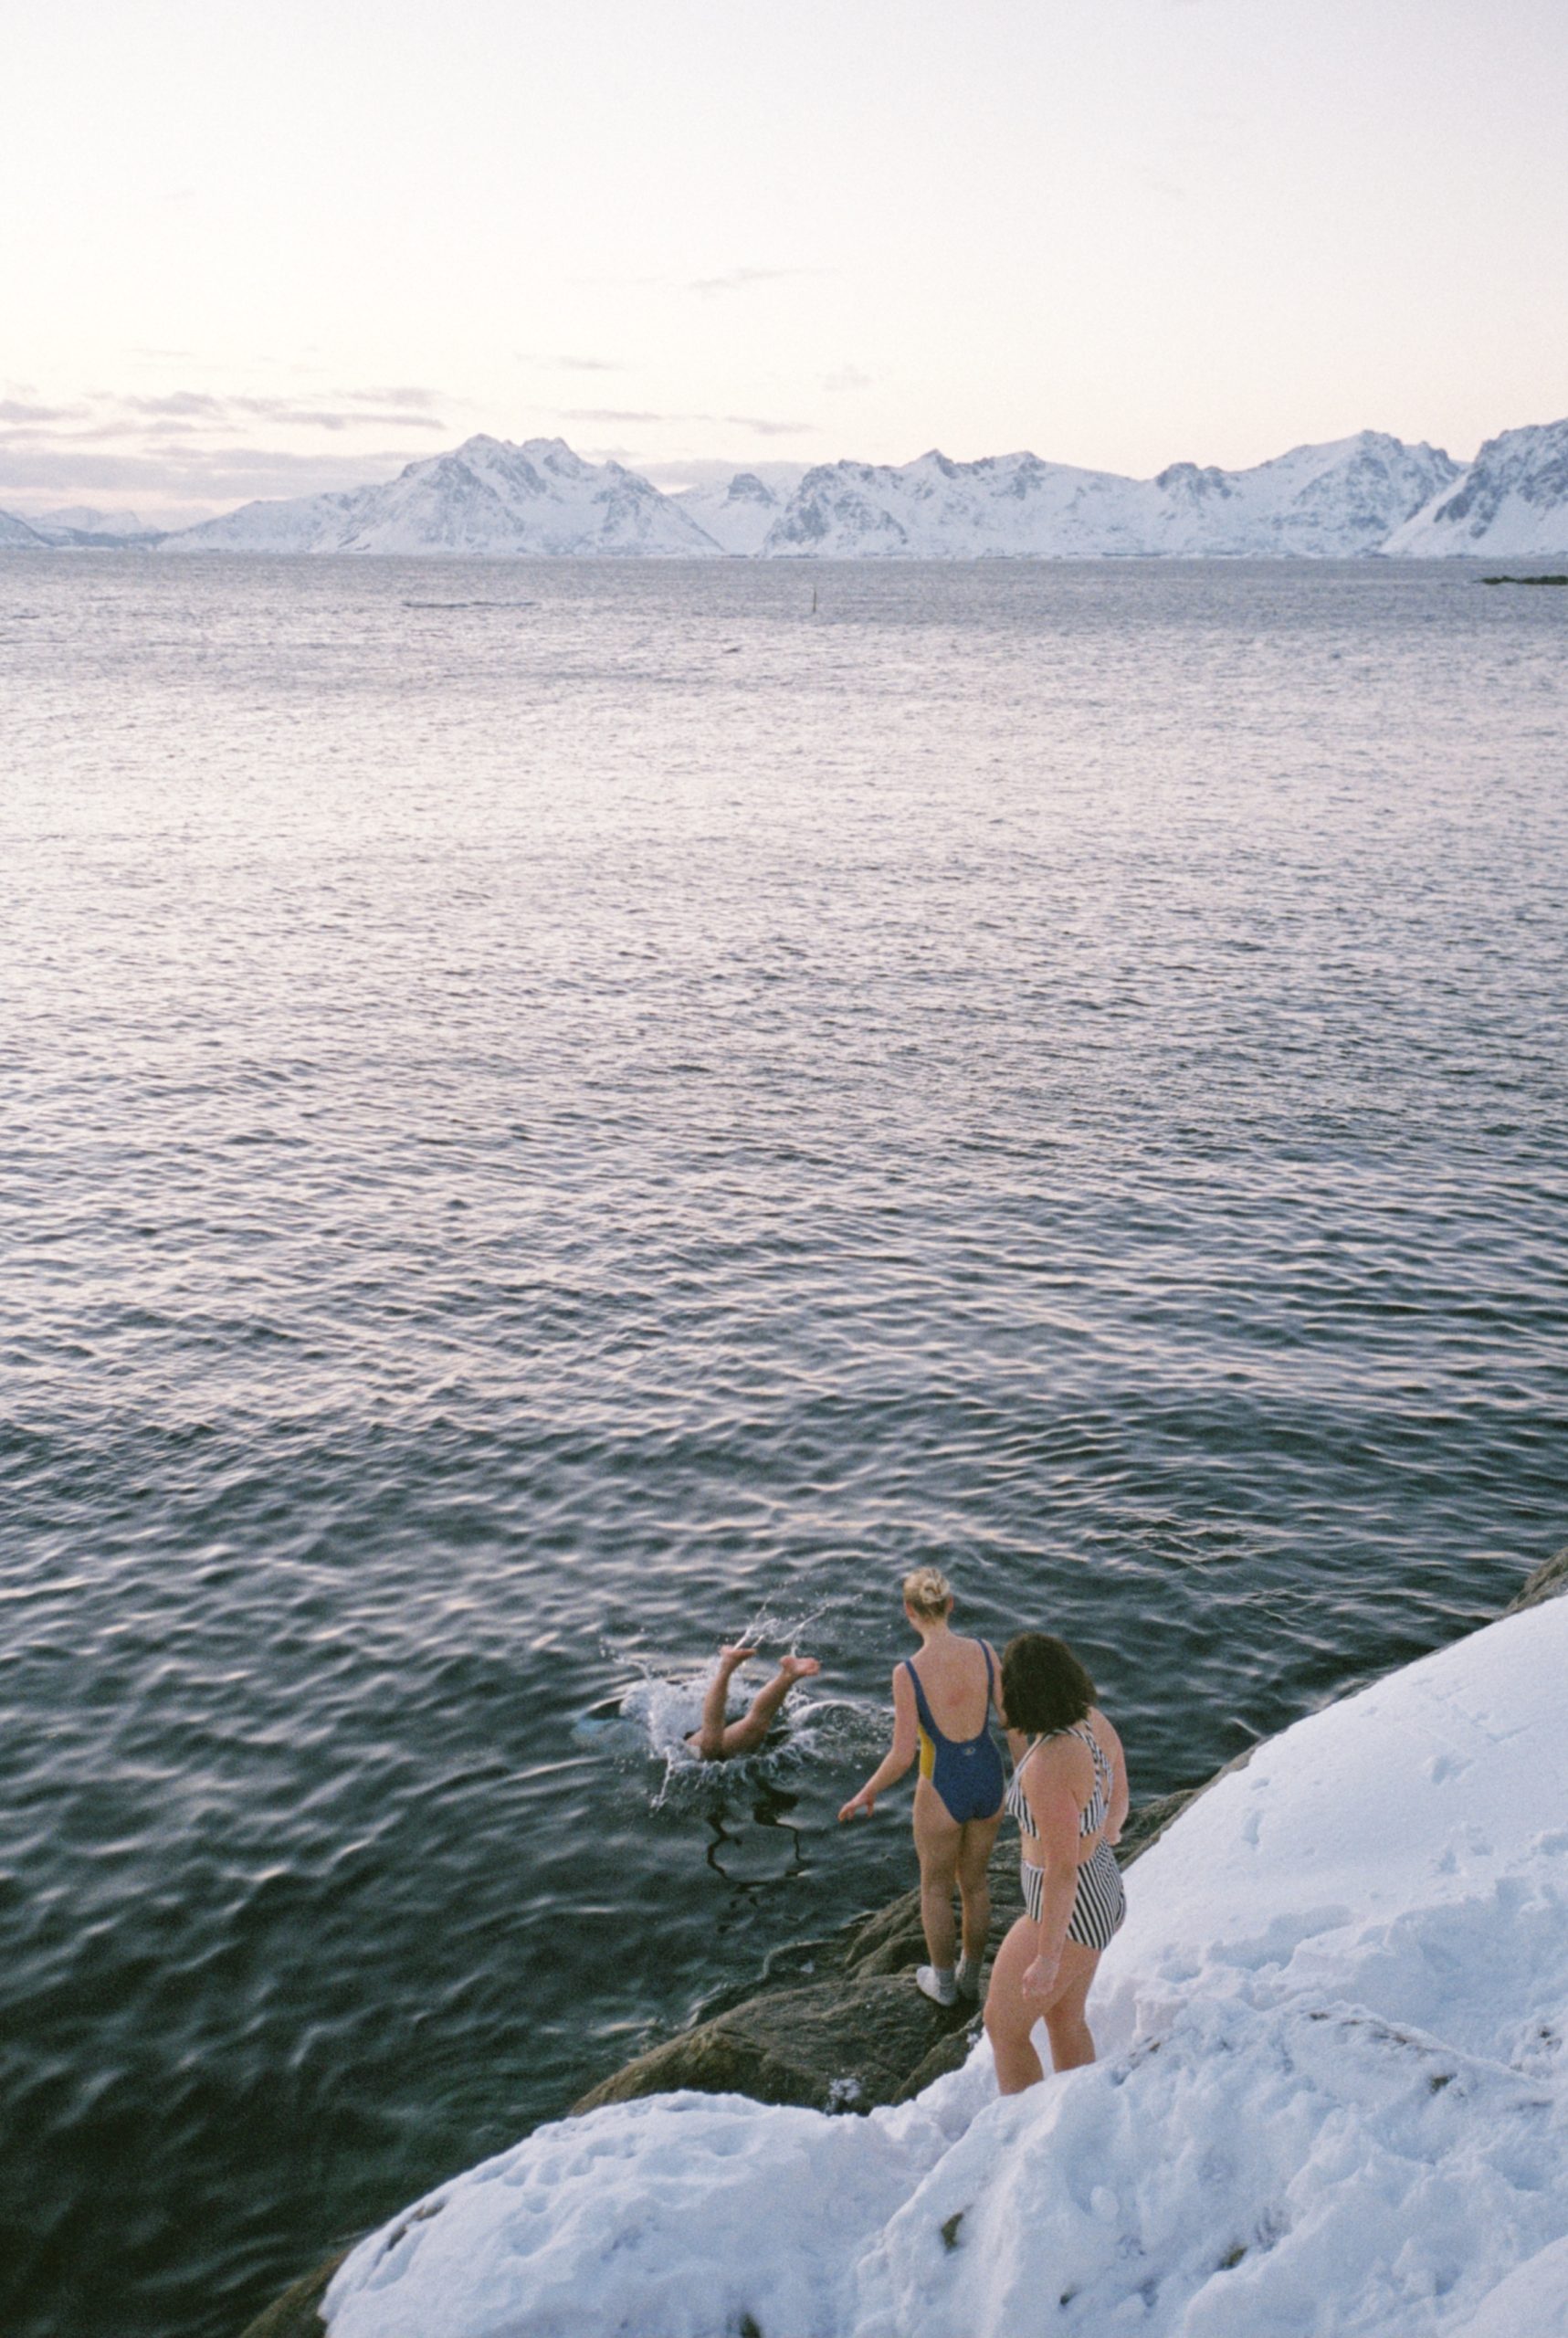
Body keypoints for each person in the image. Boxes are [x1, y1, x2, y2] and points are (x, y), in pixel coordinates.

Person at [837, 1566, 1005, 2006]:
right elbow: (1011, 1723)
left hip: (942, 1783)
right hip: (990, 1775)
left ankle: (945, 1986)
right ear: (950, 1604)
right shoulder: (986, 1653)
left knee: (934, 1888)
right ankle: (972, 1978)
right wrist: (1024, 1777)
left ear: (909, 1611)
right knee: (976, 1884)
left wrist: (866, 1792)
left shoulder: (907, 1673)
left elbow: (903, 1755)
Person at [984, 1631, 1129, 2093]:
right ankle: (1078, 2109)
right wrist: (1103, 1832)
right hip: (1102, 1886)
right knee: (1065, 2019)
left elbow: (1062, 1869)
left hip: (1069, 1911)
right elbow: (1117, 1792)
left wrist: (1047, 1957)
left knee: (1003, 2028)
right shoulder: (1090, 1723)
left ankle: (1022, 2127)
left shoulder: (1048, 1766)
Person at [687, 1645, 820, 1761]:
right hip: (723, 1758)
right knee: (757, 1726)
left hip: (688, 1750)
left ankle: (727, 1666)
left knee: (710, 1744)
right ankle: (789, 1675)